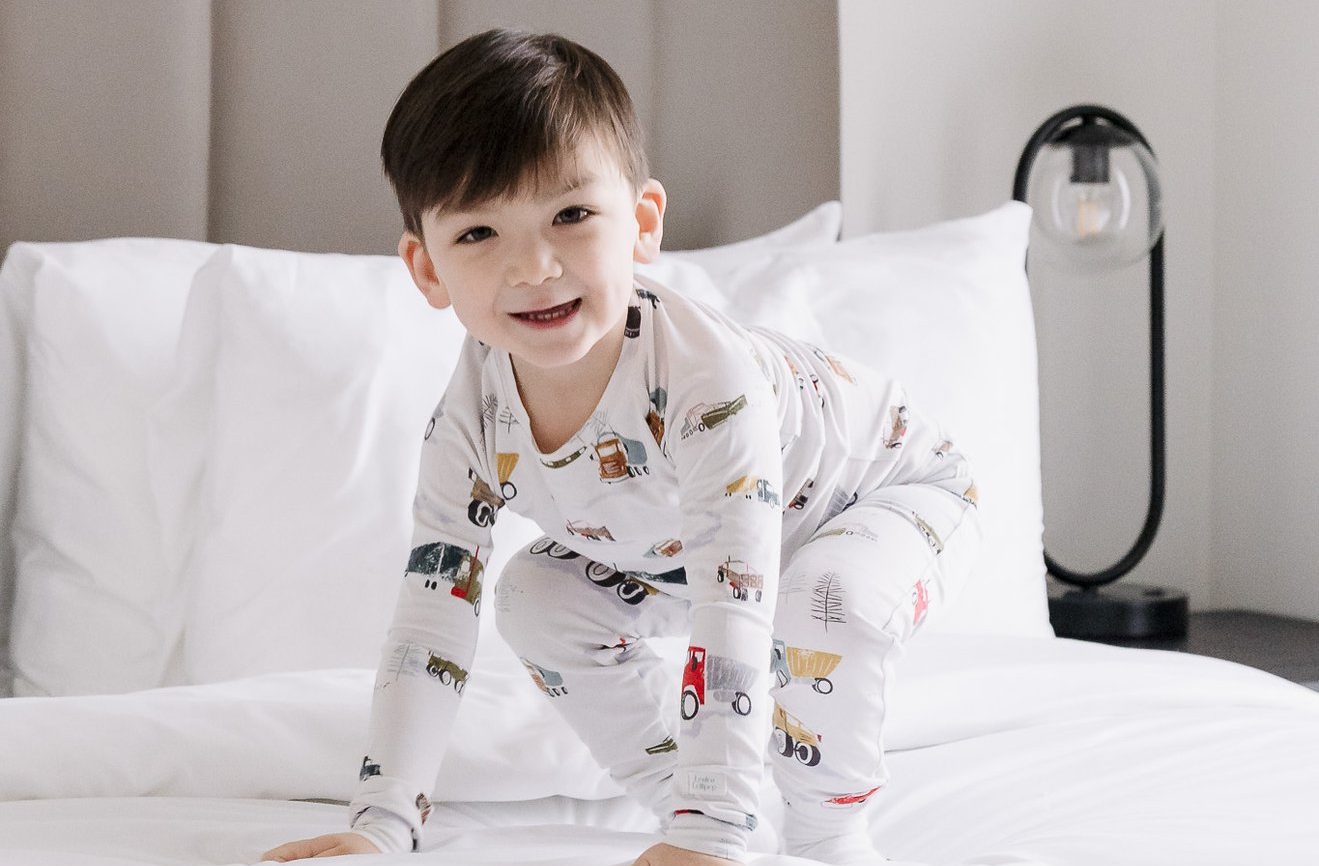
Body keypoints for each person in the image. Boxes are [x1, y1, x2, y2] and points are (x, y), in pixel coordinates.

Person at [260, 27, 980, 866]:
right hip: (694, 552)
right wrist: (381, 825)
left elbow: (733, 603)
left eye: (570, 215)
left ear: (639, 225)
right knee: (534, 595)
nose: (533, 266)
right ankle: (682, 804)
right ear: (427, 271)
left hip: (889, 498)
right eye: (478, 235)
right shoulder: (468, 422)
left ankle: (824, 842)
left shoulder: (707, 385)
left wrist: (717, 831)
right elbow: (431, 621)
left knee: (820, 606)